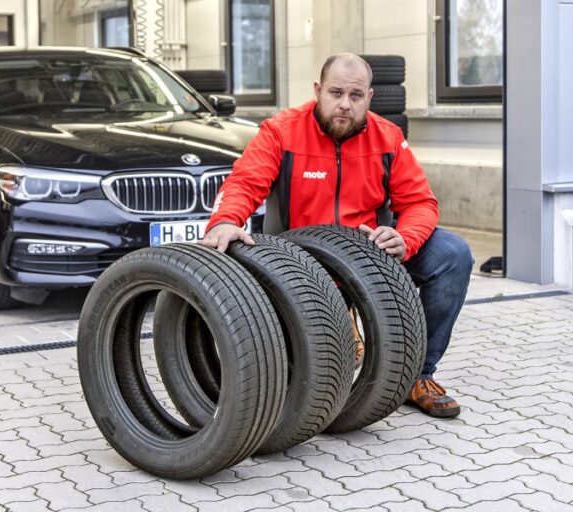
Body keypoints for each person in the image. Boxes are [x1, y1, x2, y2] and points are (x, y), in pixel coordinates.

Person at [198, 53, 473, 418]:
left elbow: (421, 202)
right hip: (300, 263)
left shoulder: (388, 137)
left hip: (369, 259)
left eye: (355, 95)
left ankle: (417, 374)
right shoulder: (281, 131)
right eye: (336, 93)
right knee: (308, 375)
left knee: (453, 254)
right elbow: (244, 182)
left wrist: (405, 237)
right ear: (318, 90)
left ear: (369, 97)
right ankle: (343, 326)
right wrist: (225, 220)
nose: (345, 104)